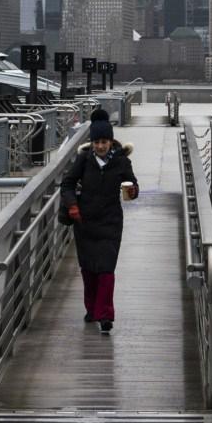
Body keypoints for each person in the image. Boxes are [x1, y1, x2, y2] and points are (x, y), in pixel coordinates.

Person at [59, 108, 137, 333]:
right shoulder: (83, 160)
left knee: (106, 270)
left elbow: (133, 184)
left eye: (104, 142)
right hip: (85, 222)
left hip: (111, 222)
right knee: (88, 270)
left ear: (111, 141)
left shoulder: (121, 162)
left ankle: (105, 315)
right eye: (97, 142)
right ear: (92, 143)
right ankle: (92, 308)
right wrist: (73, 205)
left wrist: (132, 190)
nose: (101, 146)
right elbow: (67, 184)